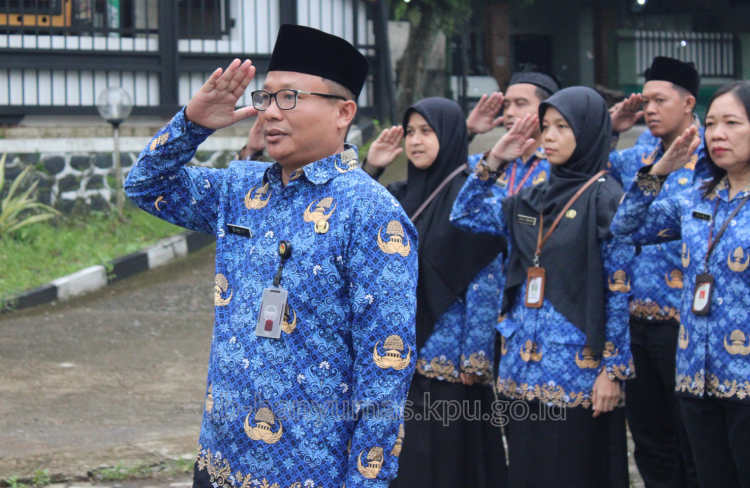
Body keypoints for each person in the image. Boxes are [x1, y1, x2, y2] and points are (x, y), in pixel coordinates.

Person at [124, 24, 418, 488]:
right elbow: (145, 185)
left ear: (343, 112)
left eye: (290, 98)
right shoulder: (241, 188)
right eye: (266, 97)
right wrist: (193, 123)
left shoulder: (372, 214)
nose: (270, 112)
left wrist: (366, 481)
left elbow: (386, 369)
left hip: (310, 471)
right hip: (221, 460)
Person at [452, 86, 634, 488]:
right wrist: (495, 160)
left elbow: (618, 290)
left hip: (577, 371)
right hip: (521, 365)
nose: (548, 136)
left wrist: (613, 371)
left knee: (572, 472)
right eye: (546, 126)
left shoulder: (606, 198)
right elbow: (464, 214)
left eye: (562, 127)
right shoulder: (530, 198)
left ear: (588, 132)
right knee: (526, 470)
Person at [362, 97, 507, 488]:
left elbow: (485, 280)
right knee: (404, 458)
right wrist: (371, 167)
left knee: (448, 459)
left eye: (427, 131)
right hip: (396, 354)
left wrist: (475, 358)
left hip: (449, 360)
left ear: (451, 134)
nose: (415, 141)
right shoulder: (398, 193)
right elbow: (352, 216)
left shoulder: (473, 199)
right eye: (410, 132)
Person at [612, 80, 750, 488]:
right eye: (712, 124)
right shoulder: (697, 199)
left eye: (732, 123)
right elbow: (624, 227)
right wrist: (658, 172)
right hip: (695, 376)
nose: (718, 134)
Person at [608, 56, 704, 488]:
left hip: (686, 327)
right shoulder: (638, 158)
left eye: (660, 100)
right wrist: (611, 130)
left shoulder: (714, 159)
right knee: (650, 443)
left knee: (694, 443)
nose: (649, 109)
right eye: (646, 101)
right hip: (635, 323)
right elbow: (587, 172)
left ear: (688, 103)